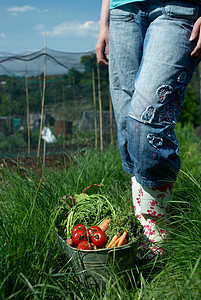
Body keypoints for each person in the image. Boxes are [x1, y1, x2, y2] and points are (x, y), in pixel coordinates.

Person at [96, 0, 201, 257]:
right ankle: (144, 218)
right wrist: (104, 22)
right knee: (126, 122)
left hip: (178, 7)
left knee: (147, 117)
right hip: (122, 10)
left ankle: (156, 237)